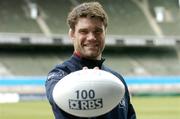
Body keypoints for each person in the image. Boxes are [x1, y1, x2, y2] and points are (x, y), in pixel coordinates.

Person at [45, 2, 136, 119]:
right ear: (72, 34)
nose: (91, 37)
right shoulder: (60, 74)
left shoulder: (117, 79)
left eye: (98, 31)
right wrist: (85, 85)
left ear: (105, 33)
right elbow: (55, 96)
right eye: (84, 31)